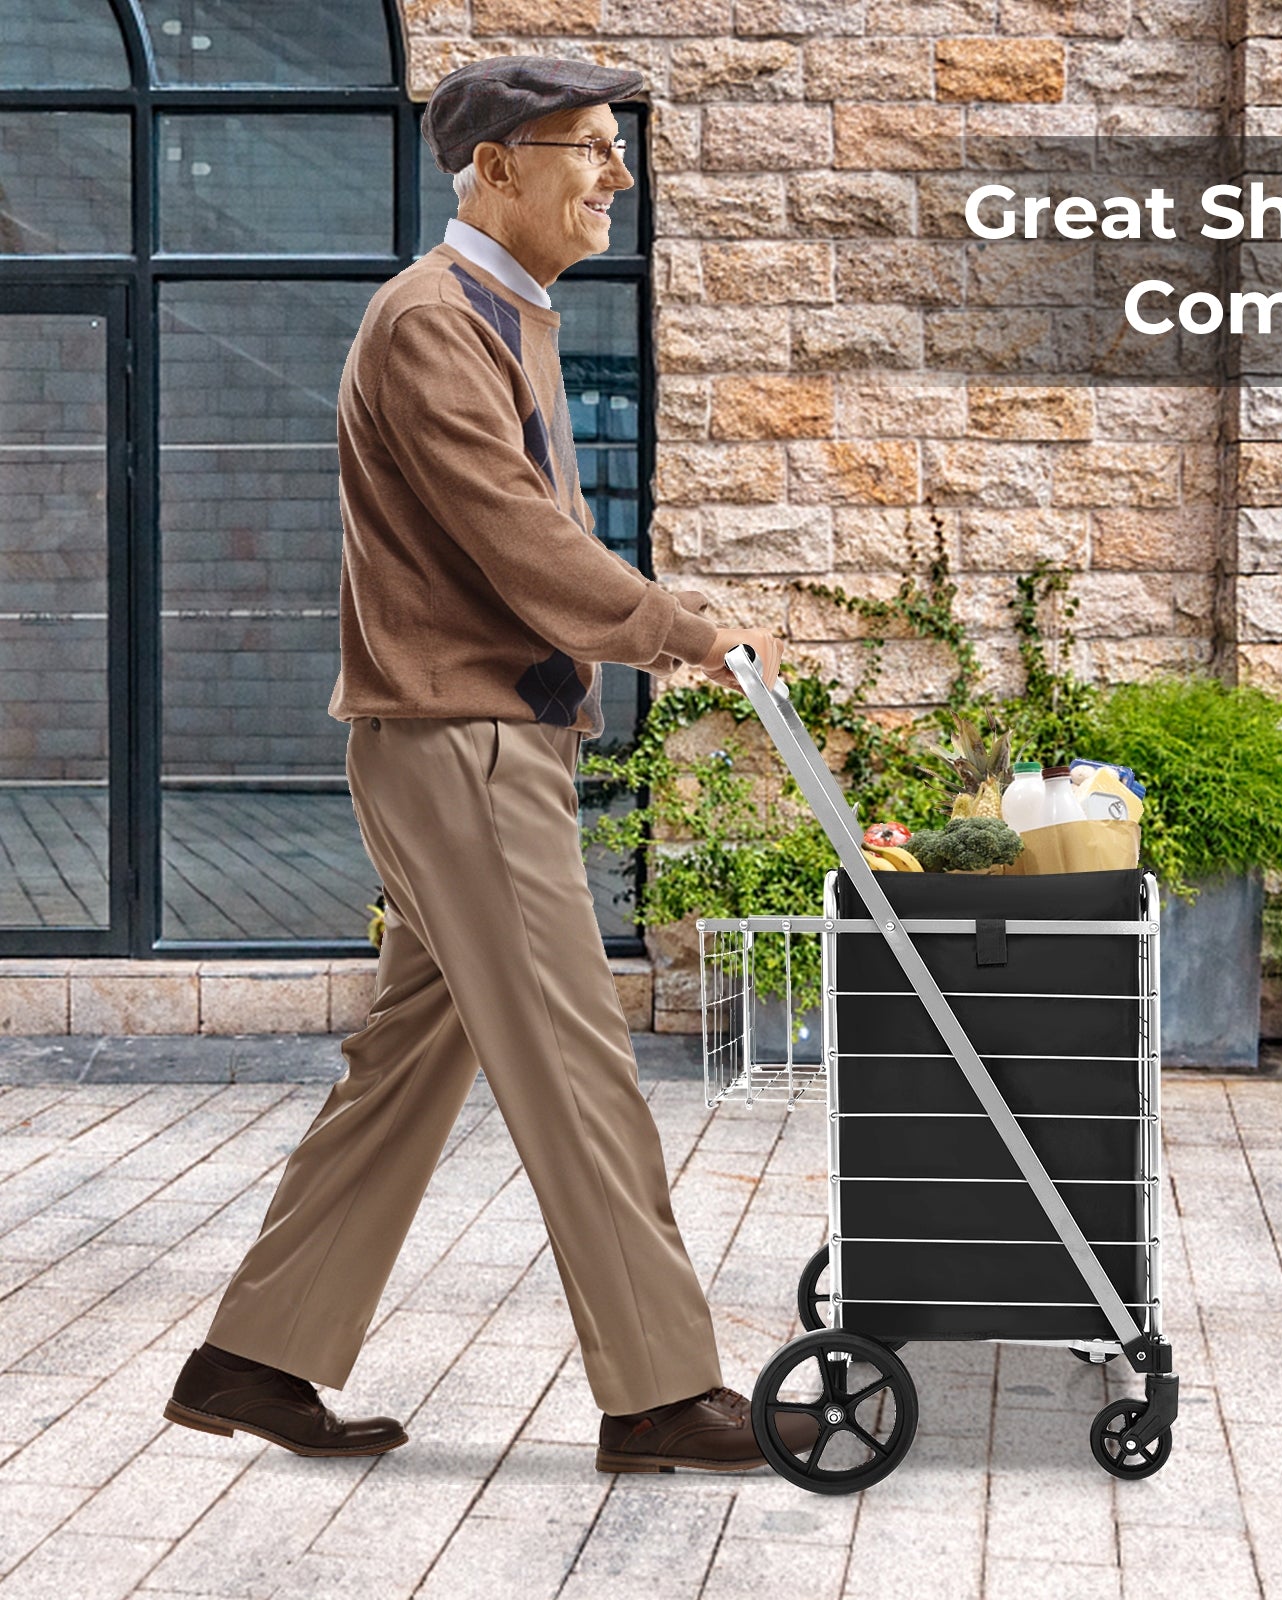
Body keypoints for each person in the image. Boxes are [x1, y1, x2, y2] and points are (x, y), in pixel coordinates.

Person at [164, 56, 808, 1476]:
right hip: (463, 750)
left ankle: (253, 1357)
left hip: (471, 740)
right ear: (497, 166)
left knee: (408, 1062)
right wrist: (683, 632)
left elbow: (518, 545)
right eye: (589, 148)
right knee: (578, 1063)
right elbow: (516, 542)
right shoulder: (431, 326)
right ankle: (658, 1393)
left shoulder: (500, 315)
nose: (614, 177)